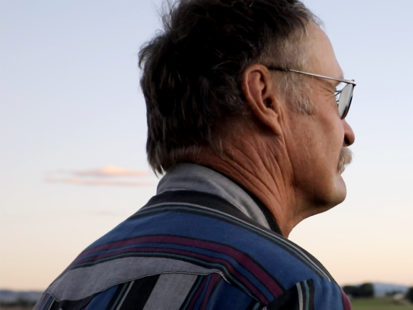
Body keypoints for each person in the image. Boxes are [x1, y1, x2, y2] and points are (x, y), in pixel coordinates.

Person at [35, 0, 356, 309]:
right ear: (266, 97)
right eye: (335, 95)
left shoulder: (66, 290)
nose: (348, 132)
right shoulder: (289, 290)